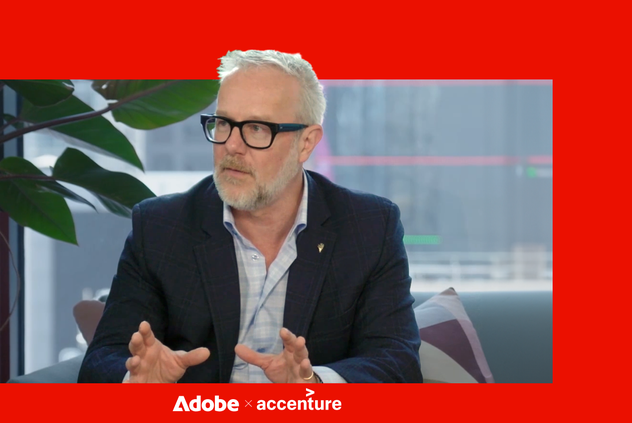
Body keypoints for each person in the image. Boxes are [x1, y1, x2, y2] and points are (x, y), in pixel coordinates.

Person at [78, 50, 422, 383]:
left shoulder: (369, 227)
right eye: (223, 123)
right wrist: (136, 379)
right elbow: (102, 358)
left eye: (257, 128)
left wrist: (314, 383)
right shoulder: (161, 227)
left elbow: (397, 361)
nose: (231, 145)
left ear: (306, 143)